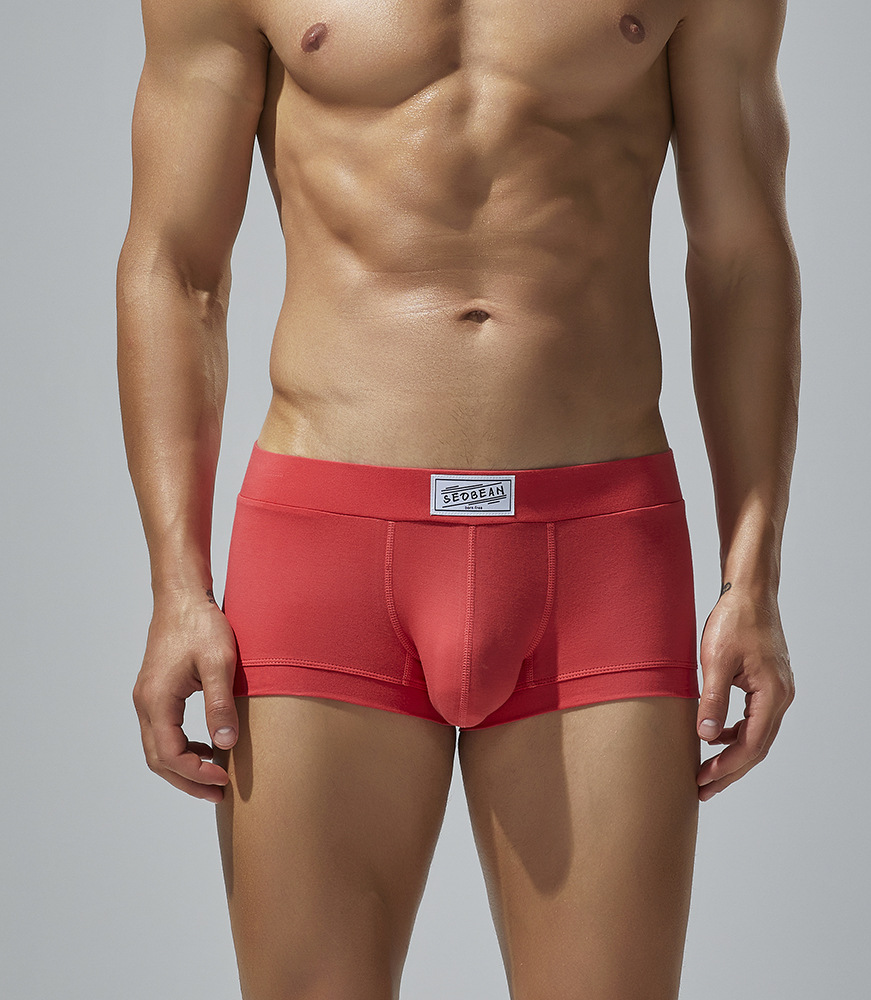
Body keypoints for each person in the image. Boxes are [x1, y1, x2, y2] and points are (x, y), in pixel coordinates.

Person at [117, 0, 799, 996]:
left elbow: (742, 258)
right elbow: (175, 267)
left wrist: (753, 576)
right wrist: (176, 588)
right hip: (327, 547)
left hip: (598, 550)